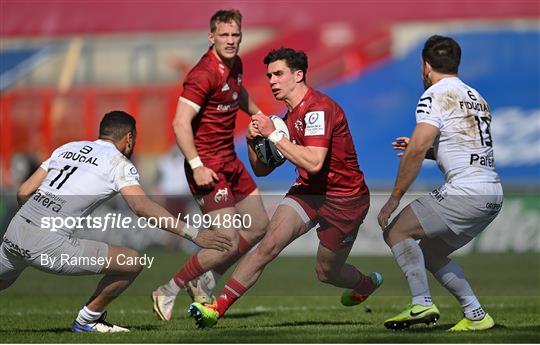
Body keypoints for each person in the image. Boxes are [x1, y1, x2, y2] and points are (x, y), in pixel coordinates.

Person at [187, 47, 382, 329]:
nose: (272, 81)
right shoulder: (287, 118)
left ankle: (366, 283)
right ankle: (216, 308)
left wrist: (272, 134)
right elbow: (262, 170)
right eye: (269, 76)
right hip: (308, 192)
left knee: (327, 272)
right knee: (268, 245)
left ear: (298, 75)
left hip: (345, 200)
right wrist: (255, 142)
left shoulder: (318, 109)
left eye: (279, 74)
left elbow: (314, 162)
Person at [0, 111, 232, 333]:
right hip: (48, 243)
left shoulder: (67, 148)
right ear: (129, 137)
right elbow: (141, 207)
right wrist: (195, 234)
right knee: (132, 261)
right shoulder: (118, 163)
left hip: (15, 230)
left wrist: (34, 224)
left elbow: (24, 191)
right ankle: (88, 320)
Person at [377, 35, 503, 331]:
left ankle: (420, 303)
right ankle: (476, 315)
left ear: (426, 66)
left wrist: (395, 196)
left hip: (466, 192)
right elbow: (465, 147)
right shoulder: (476, 97)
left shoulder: (434, 95)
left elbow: (417, 149)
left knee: (396, 231)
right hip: (492, 193)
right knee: (432, 252)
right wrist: (434, 149)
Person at [151, 9, 270, 321]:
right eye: (225, 35)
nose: (231, 41)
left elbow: (236, 92)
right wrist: (196, 164)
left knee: (258, 225)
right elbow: (179, 124)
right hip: (207, 167)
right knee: (226, 241)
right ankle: (168, 288)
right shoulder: (203, 74)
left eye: (235, 35)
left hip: (230, 160)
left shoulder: (235, 64)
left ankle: (204, 278)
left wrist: (257, 114)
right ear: (211, 37)